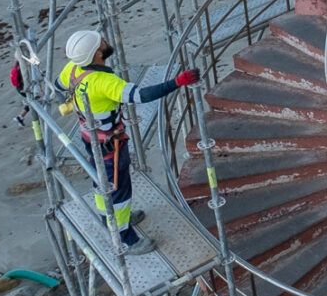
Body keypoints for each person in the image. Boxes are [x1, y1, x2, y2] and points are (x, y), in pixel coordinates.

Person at [24, 29, 197, 246]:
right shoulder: (105, 82)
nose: (106, 42)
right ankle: (125, 237)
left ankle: (108, 219)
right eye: (102, 42)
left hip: (90, 137)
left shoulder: (73, 68)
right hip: (110, 145)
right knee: (119, 189)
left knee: (101, 181)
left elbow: (57, 86)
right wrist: (177, 82)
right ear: (97, 54)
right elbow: (141, 96)